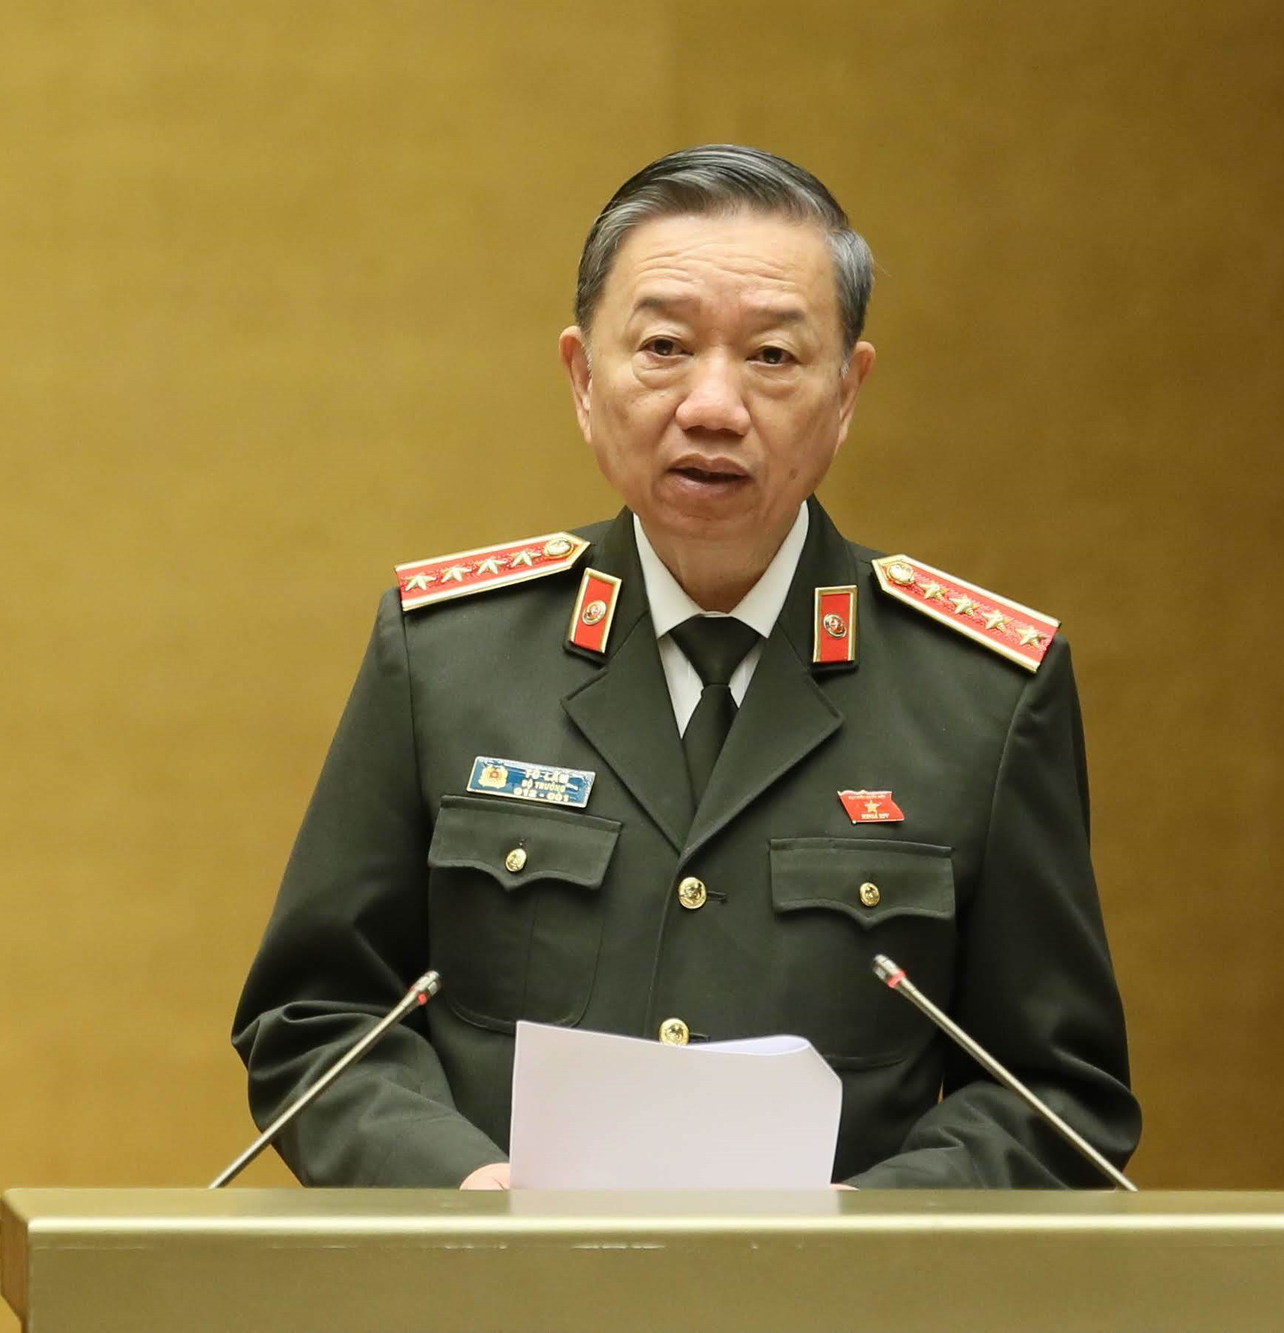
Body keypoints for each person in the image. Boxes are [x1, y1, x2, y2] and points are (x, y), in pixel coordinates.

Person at [231, 144, 1139, 1189]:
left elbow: (1056, 1094)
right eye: (663, 346)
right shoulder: (446, 654)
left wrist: (866, 1223)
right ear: (583, 378)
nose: (712, 405)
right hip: (501, 1272)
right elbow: (314, 1018)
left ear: (847, 392)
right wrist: (463, 1189)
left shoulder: (983, 692)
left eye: (772, 356)